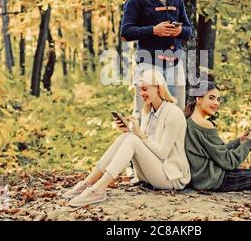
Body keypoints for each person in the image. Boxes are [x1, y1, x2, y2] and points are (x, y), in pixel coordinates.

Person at [63, 69, 191, 207]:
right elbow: (143, 145)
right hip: (152, 174)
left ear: (158, 88)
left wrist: (139, 135)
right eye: (140, 89)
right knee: (127, 136)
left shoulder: (174, 113)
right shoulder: (148, 111)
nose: (141, 93)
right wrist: (129, 131)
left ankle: (99, 189)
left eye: (145, 89)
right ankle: (88, 183)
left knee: (132, 138)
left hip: (171, 177)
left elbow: (162, 153)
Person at [120, 0, 193, 120]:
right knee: (143, 114)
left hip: (174, 64)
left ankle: (172, 147)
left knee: (177, 114)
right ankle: (137, 144)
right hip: (148, 63)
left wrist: (179, 32)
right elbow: (126, 32)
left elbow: (189, 29)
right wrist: (154, 30)